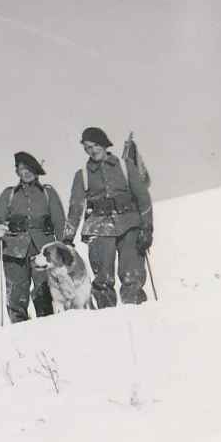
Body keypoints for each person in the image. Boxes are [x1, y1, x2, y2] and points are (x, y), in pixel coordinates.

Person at [64, 127, 154, 308]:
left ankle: (136, 316)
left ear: (105, 145)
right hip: (99, 228)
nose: (93, 150)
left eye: (96, 145)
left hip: (130, 225)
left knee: (132, 276)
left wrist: (147, 228)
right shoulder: (82, 175)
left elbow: (143, 198)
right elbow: (75, 208)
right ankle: (107, 321)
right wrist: (67, 238)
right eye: (88, 147)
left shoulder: (126, 165)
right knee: (103, 280)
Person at [0, 152, 68, 323]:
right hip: (14, 251)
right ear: (17, 171)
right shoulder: (8, 194)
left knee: (44, 294)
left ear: (37, 171)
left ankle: (47, 334)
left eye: (30, 169)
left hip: (43, 251)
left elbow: (60, 222)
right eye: (22, 168)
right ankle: (19, 335)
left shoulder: (48, 193)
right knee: (16, 296)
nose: (27, 172)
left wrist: (62, 250)